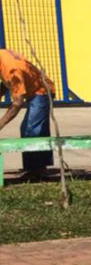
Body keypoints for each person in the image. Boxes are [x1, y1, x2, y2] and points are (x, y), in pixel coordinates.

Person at [0, 48, 55, 176]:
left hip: (41, 92)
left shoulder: (12, 70)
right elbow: (7, 82)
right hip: (38, 88)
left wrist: (1, 124)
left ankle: (36, 170)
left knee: (31, 129)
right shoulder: (3, 55)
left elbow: (18, 103)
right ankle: (37, 167)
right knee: (36, 130)